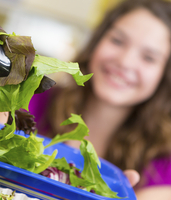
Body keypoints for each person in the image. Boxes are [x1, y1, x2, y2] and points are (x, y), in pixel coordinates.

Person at [29, 0, 171, 199]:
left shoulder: (164, 164)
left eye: (149, 58)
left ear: (164, 76)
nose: (125, 61)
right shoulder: (30, 99)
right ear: (96, 41)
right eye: (117, 41)